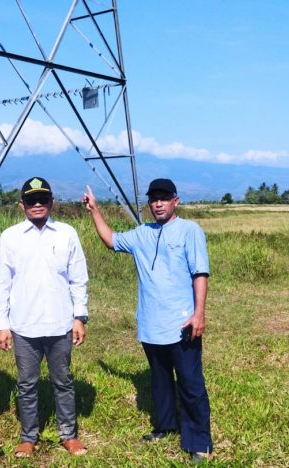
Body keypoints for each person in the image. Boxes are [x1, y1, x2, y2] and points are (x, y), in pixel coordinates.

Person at [83, 178, 213, 463]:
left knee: (191, 384)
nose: (158, 203)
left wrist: (199, 313)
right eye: (154, 198)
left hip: (183, 324)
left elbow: (200, 273)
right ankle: (165, 427)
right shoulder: (142, 233)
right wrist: (94, 210)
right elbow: (111, 240)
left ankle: (199, 442)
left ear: (175, 201)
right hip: (151, 325)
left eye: (164, 198)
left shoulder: (190, 231)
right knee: (160, 382)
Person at [0, 176, 90, 458]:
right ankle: (28, 437)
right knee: (27, 384)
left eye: (43, 199)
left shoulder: (67, 234)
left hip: (60, 323)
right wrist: (3, 325)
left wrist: (79, 317)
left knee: (63, 381)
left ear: (52, 203)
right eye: (31, 200)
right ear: (22, 205)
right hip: (24, 325)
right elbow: (2, 284)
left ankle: (68, 435)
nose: (37, 204)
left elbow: (78, 279)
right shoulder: (10, 237)